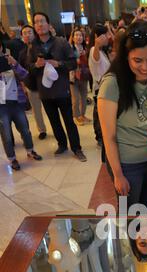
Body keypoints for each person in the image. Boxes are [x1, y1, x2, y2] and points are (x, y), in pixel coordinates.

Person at [98, 21, 147, 213]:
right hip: (128, 164)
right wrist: (118, 175)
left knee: (146, 207)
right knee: (129, 213)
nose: (145, 67)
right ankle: (128, 243)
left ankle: (142, 242)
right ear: (126, 57)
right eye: (137, 60)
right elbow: (108, 136)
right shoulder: (112, 84)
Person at [27, 12, 87, 161]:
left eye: (42, 21)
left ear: (48, 24)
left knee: (69, 121)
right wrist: (36, 65)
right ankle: (62, 144)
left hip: (62, 90)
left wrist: (58, 64)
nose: (39, 24)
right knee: (54, 121)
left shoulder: (61, 42)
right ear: (35, 26)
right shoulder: (33, 46)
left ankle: (76, 148)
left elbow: (73, 63)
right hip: (45, 92)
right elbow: (29, 68)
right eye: (36, 22)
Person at [0, 40, 42, 170]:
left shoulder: (8, 60)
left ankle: (30, 150)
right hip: (1, 106)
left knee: (25, 129)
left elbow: (25, 75)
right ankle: (12, 159)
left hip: (16, 102)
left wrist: (15, 64)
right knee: (6, 134)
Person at [19, 24, 47, 140]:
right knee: (36, 110)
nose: (27, 35)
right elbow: (20, 70)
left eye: (29, 32)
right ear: (22, 36)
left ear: (34, 33)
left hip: (44, 84)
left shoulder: (41, 47)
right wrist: (23, 85)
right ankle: (42, 130)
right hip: (31, 85)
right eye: (24, 33)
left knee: (50, 109)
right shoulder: (22, 53)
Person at [88, 23, 111, 148]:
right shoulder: (94, 50)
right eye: (105, 35)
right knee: (100, 116)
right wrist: (96, 45)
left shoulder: (103, 51)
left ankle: (102, 136)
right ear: (97, 36)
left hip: (104, 88)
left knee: (101, 115)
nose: (107, 37)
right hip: (101, 88)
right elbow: (96, 59)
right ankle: (101, 138)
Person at [69, 28, 91, 126]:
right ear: (73, 38)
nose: (78, 37)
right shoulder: (69, 49)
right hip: (73, 77)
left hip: (84, 75)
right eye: (76, 35)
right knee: (75, 98)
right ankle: (76, 116)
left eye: (80, 35)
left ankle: (82, 115)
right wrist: (76, 60)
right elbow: (67, 62)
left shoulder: (86, 49)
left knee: (84, 97)